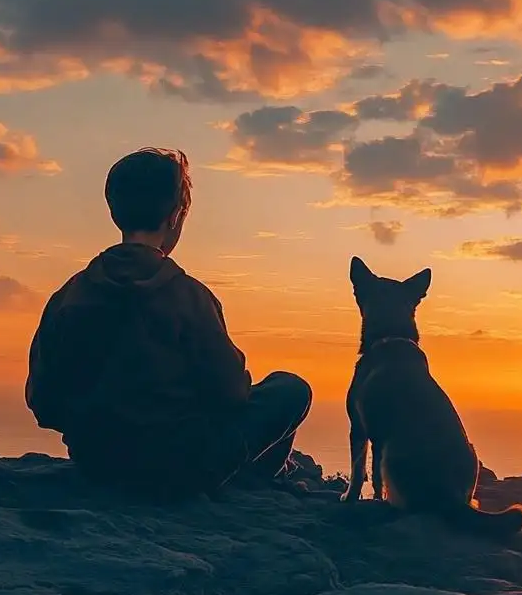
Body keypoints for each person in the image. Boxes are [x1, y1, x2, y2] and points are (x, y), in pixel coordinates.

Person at [26, 147, 312, 497]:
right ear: (176, 216)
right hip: (180, 472)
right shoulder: (188, 296)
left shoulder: (69, 295)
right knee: (290, 388)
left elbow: (43, 402)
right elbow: (231, 395)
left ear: (113, 210)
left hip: (95, 463)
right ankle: (250, 482)